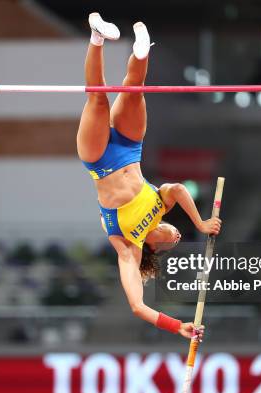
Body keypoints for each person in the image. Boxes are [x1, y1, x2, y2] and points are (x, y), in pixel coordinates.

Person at [78, 13, 222, 340]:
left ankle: (97, 36)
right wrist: (199, 223)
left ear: (155, 248)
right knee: (134, 90)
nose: (176, 237)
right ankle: (141, 52)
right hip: (130, 149)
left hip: (99, 159)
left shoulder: (129, 246)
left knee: (98, 99)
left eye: (172, 242)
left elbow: (137, 307)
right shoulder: (162, 206)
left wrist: (178, 326)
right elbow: (175, 188)